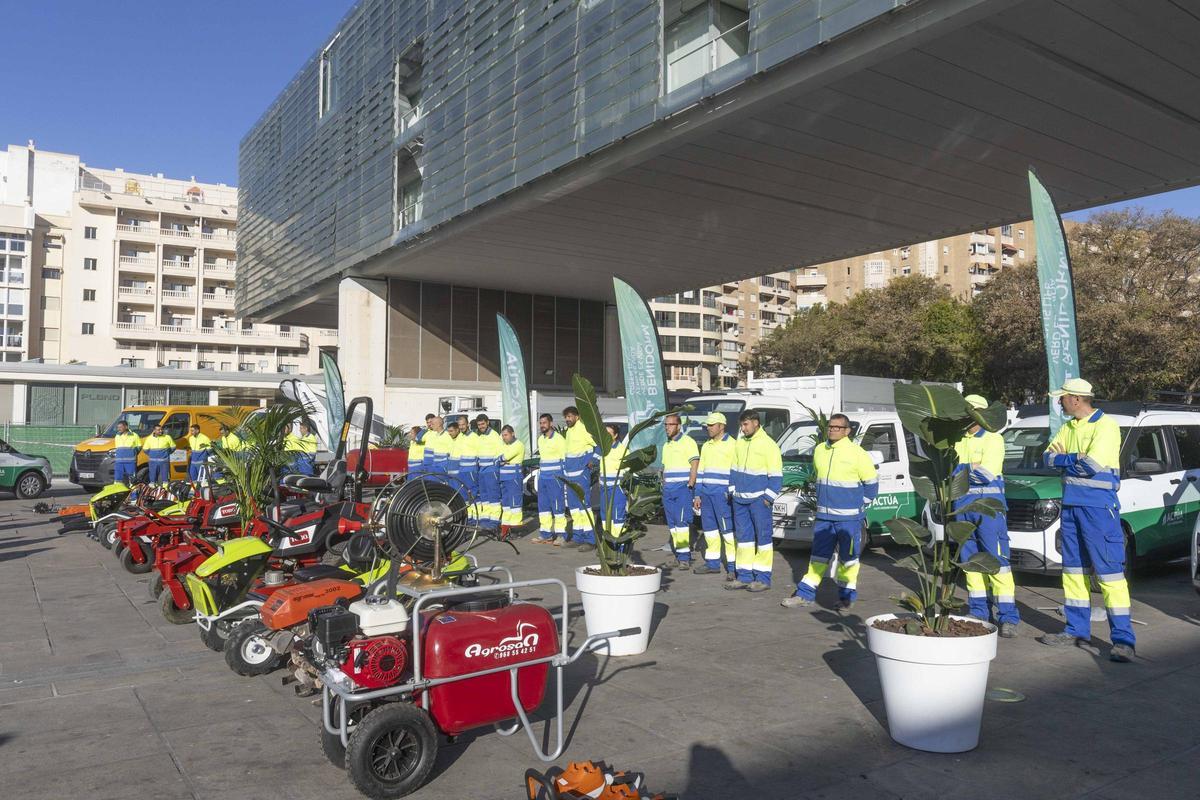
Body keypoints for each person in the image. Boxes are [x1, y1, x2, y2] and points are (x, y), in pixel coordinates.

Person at [1038, 378, 1135, 662]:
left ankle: (1123, 641)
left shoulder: (1106, 426)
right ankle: (1075, 630)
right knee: (1073, 572)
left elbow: (1091, 465)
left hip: (1098, 510)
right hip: (1070, 508)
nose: (1059, 402)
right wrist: (1073, 457)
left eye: (1062, 398)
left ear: (1076, 399)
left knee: (1110, 575)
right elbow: (1045, 459)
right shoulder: (1068, 428)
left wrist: (1065, 459)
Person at [783, 413, 877, 608]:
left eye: (838, 427)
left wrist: (860, 505)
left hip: (849, 520)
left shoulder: (857, 453)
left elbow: (871, 483)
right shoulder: (819, 450)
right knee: (818, 557)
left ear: (847, 431)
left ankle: (845, 598)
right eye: (831, 426)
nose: (833, 429)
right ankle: (805, 595)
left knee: (848, 560)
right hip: (824, 517)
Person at [955, 394, 1019, 637]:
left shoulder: (994, 439)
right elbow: (951, 472)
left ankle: (1008, 616)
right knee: (970, 562)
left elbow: (986, 474)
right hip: (963, 508)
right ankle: (979, 611)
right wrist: (969, 469)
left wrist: (960, 471)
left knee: (998, 562)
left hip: (989, 509)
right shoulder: (958, 441)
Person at [725, 410, 782, 593]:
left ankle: (763, 578)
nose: (742, 428)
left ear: (756, 423)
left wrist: (767, 498)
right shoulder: (740, 442)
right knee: (744, 540)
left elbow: (776, 476)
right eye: (741, 425)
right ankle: (744, 576)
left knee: (763, 539)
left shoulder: (768, 444)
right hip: (740, 499)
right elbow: (733, 468)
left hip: (759, 501)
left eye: (746, 424)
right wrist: (733, 490)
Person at [692, 412, 737, 578]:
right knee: (709, 531)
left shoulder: (733, 445)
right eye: (707, 425)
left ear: (721, 426)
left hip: (722, 496)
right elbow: (701, 471)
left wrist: (730, 493)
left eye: (711, 425)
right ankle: (712, 563)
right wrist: (697, 495)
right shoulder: (706, 446)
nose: (708, 428)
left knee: (728, 532)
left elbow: (735, 472)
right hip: (707, 495)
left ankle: (733, 568)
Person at [662, 414, 700, 568]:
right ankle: (679, 554)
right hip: (668, 490)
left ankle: (684, 558)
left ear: (678, 426)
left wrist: (690, 484)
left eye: (670, 425)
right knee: (672, 525)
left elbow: (695, 463)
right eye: (665, 425)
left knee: (682, 523)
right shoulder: (667, 445)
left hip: (682, 489)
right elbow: (665, 467)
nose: (667, 428)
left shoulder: (688, 442)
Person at [563, 406, 599, 551]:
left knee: (584, 508)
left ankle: (590, 540)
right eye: (566, 416)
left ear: (577, 417)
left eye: (570, 416)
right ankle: (577, 538)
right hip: (570, 476)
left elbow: (598, 447)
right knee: (574, 509)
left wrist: (592, 461)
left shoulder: (584, 428)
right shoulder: (569, 431)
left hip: (581, 475)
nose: (567, 419)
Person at [531, 413, 568, 545]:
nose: (542, 425)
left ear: (551, 423)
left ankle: (561, 535)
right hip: (543, 478)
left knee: (557, 507)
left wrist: (563, 478)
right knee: (543, 507)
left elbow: (564, 459)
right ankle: (545, 534)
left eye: (544, 423)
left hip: (555, 478)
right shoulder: (541, 439)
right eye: (540, 423)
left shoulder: (559, 439)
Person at [597, 422, 629, 540]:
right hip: (604, 489)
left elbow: (628, 471)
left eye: (608, 434)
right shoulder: (602, 449)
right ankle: (608, 542)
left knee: (618, 517)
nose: (605, 436)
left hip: (617, 489)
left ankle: (618, 542)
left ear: (615, 435)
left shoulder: (622, 450)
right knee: (605, 516)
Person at [472, 414, 504, 531]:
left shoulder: (494, 436)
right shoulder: (480, 436)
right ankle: (485, 520)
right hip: (482, 470)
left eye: (483, 424)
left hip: (491, 470)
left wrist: (494, 468)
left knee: (493, 496)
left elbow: (500, 454)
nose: (481, 426)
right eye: (479, 424)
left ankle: (494, 522)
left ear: (488, 422)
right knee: (484, 497)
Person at [498, 425, 527, 535]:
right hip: (504, 478)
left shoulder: (518, 445)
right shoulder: (504, 444)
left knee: (515, 505)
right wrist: (501, 459)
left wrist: (502, 459)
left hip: (514, 479)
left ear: (512, 433)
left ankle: (516, 530)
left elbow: (504, 457)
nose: (504, 438)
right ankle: (505, 529)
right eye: (503, 435)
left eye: (506, 435)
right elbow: (498, 457)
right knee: (506, 505)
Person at [457, 414, 480, 522]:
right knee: (464, 496)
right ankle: (468, 517)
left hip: (471, 471)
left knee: (473, 495)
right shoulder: (460, 436)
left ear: (468, 424)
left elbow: (479, 453)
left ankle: (475, 518)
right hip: (462, 470)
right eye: (459, 425)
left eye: (463, 424)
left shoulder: (474, 437)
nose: (461, 427)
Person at [112, 420, 141, 485]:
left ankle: (133, 494)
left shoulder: (134, 435)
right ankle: (118, 493)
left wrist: (132, 454)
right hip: (119, 462)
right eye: (118, 427)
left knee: (132, 480)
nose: (118, 429)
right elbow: (118, 448)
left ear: (126, 427)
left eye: (120, 427)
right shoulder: (117, 436)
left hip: (130, 462)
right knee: (117, 479)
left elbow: (139, 447)